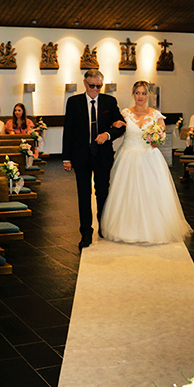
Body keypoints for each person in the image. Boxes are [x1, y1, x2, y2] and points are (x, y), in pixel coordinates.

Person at [101, 81, 191, 244]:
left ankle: (153, 228)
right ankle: (125, 228)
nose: (140, 96)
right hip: (127, 156)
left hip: (149, 158)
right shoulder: (125, 113)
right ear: (133, 94)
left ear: (148, 95)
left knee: (151, 193)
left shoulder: (156, 115)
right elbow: (120, 133)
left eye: (143, 93)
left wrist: (158, 139)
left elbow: (161, 134)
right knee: (127, 193)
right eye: (137, 93)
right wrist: (114, 125)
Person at [62, 68, 125, 250]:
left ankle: (104, 227)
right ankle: (86, 232)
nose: (96, 89)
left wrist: (108, 133)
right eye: (92, 86)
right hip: (81, 155)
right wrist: (66, 157)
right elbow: (69, 130)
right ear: (85, 83)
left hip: (103, 155)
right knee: (83, 194)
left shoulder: (109, 101)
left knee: (103, 192)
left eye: (99, 86)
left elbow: (121, 126)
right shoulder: (74, 102)